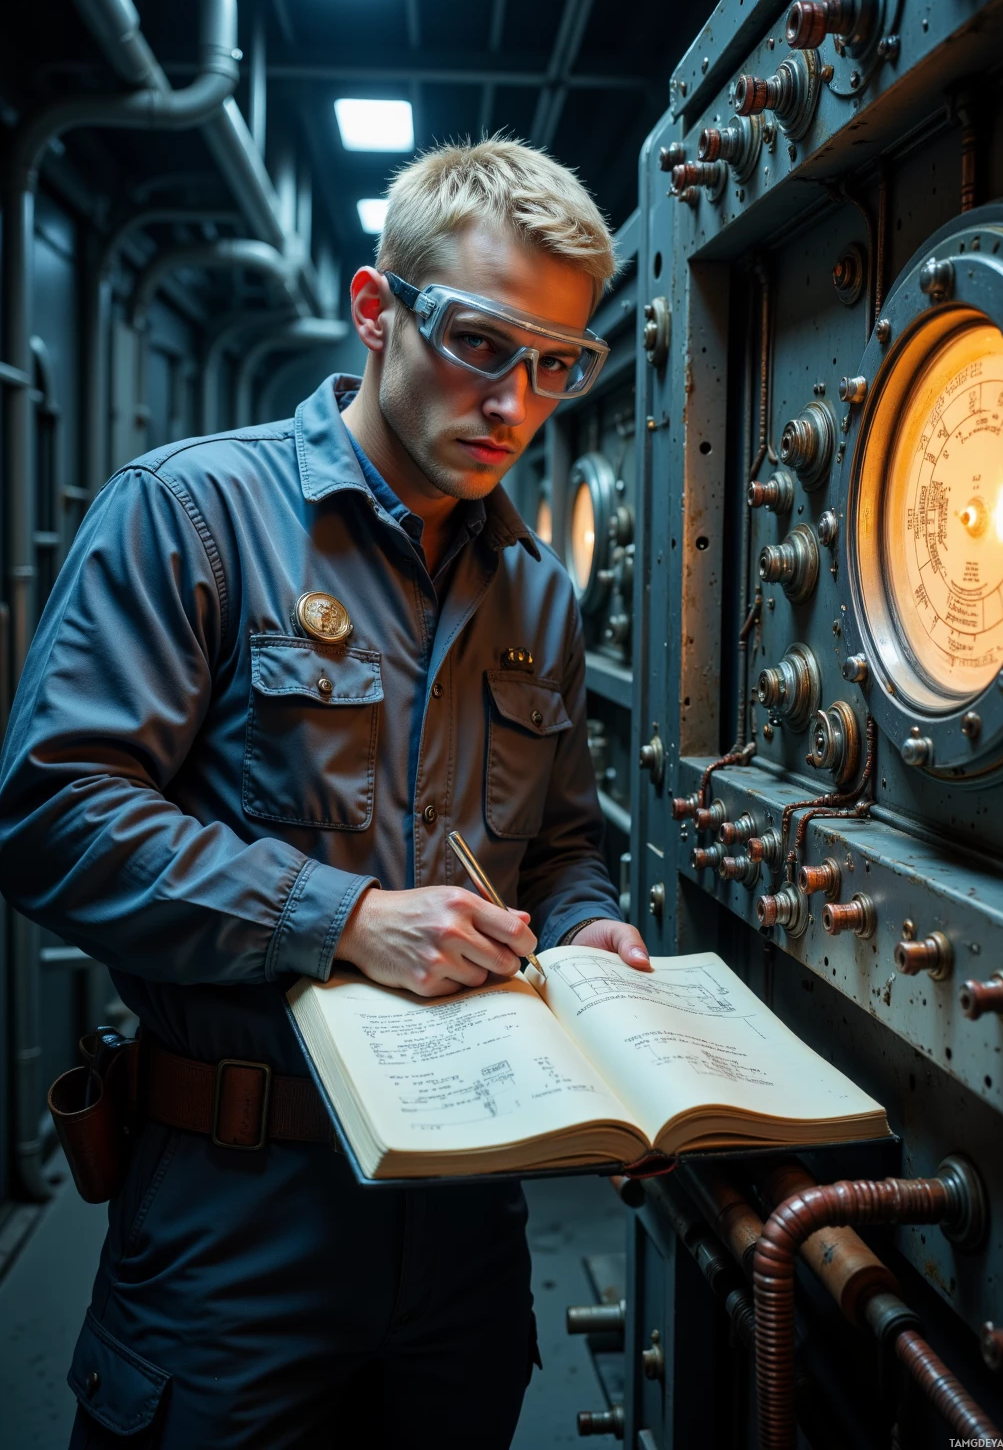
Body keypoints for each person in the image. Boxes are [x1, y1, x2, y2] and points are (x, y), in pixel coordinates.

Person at [0, 136, 650, 1449]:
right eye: (481, 342)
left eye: (558, 367)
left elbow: (566, 843)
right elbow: (53, 813)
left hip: (467, 1220)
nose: (516, 403)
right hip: (239, 1213)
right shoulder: (194, 516)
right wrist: (345, 917)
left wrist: (587, 929)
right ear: (375, 309)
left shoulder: (539, 597)